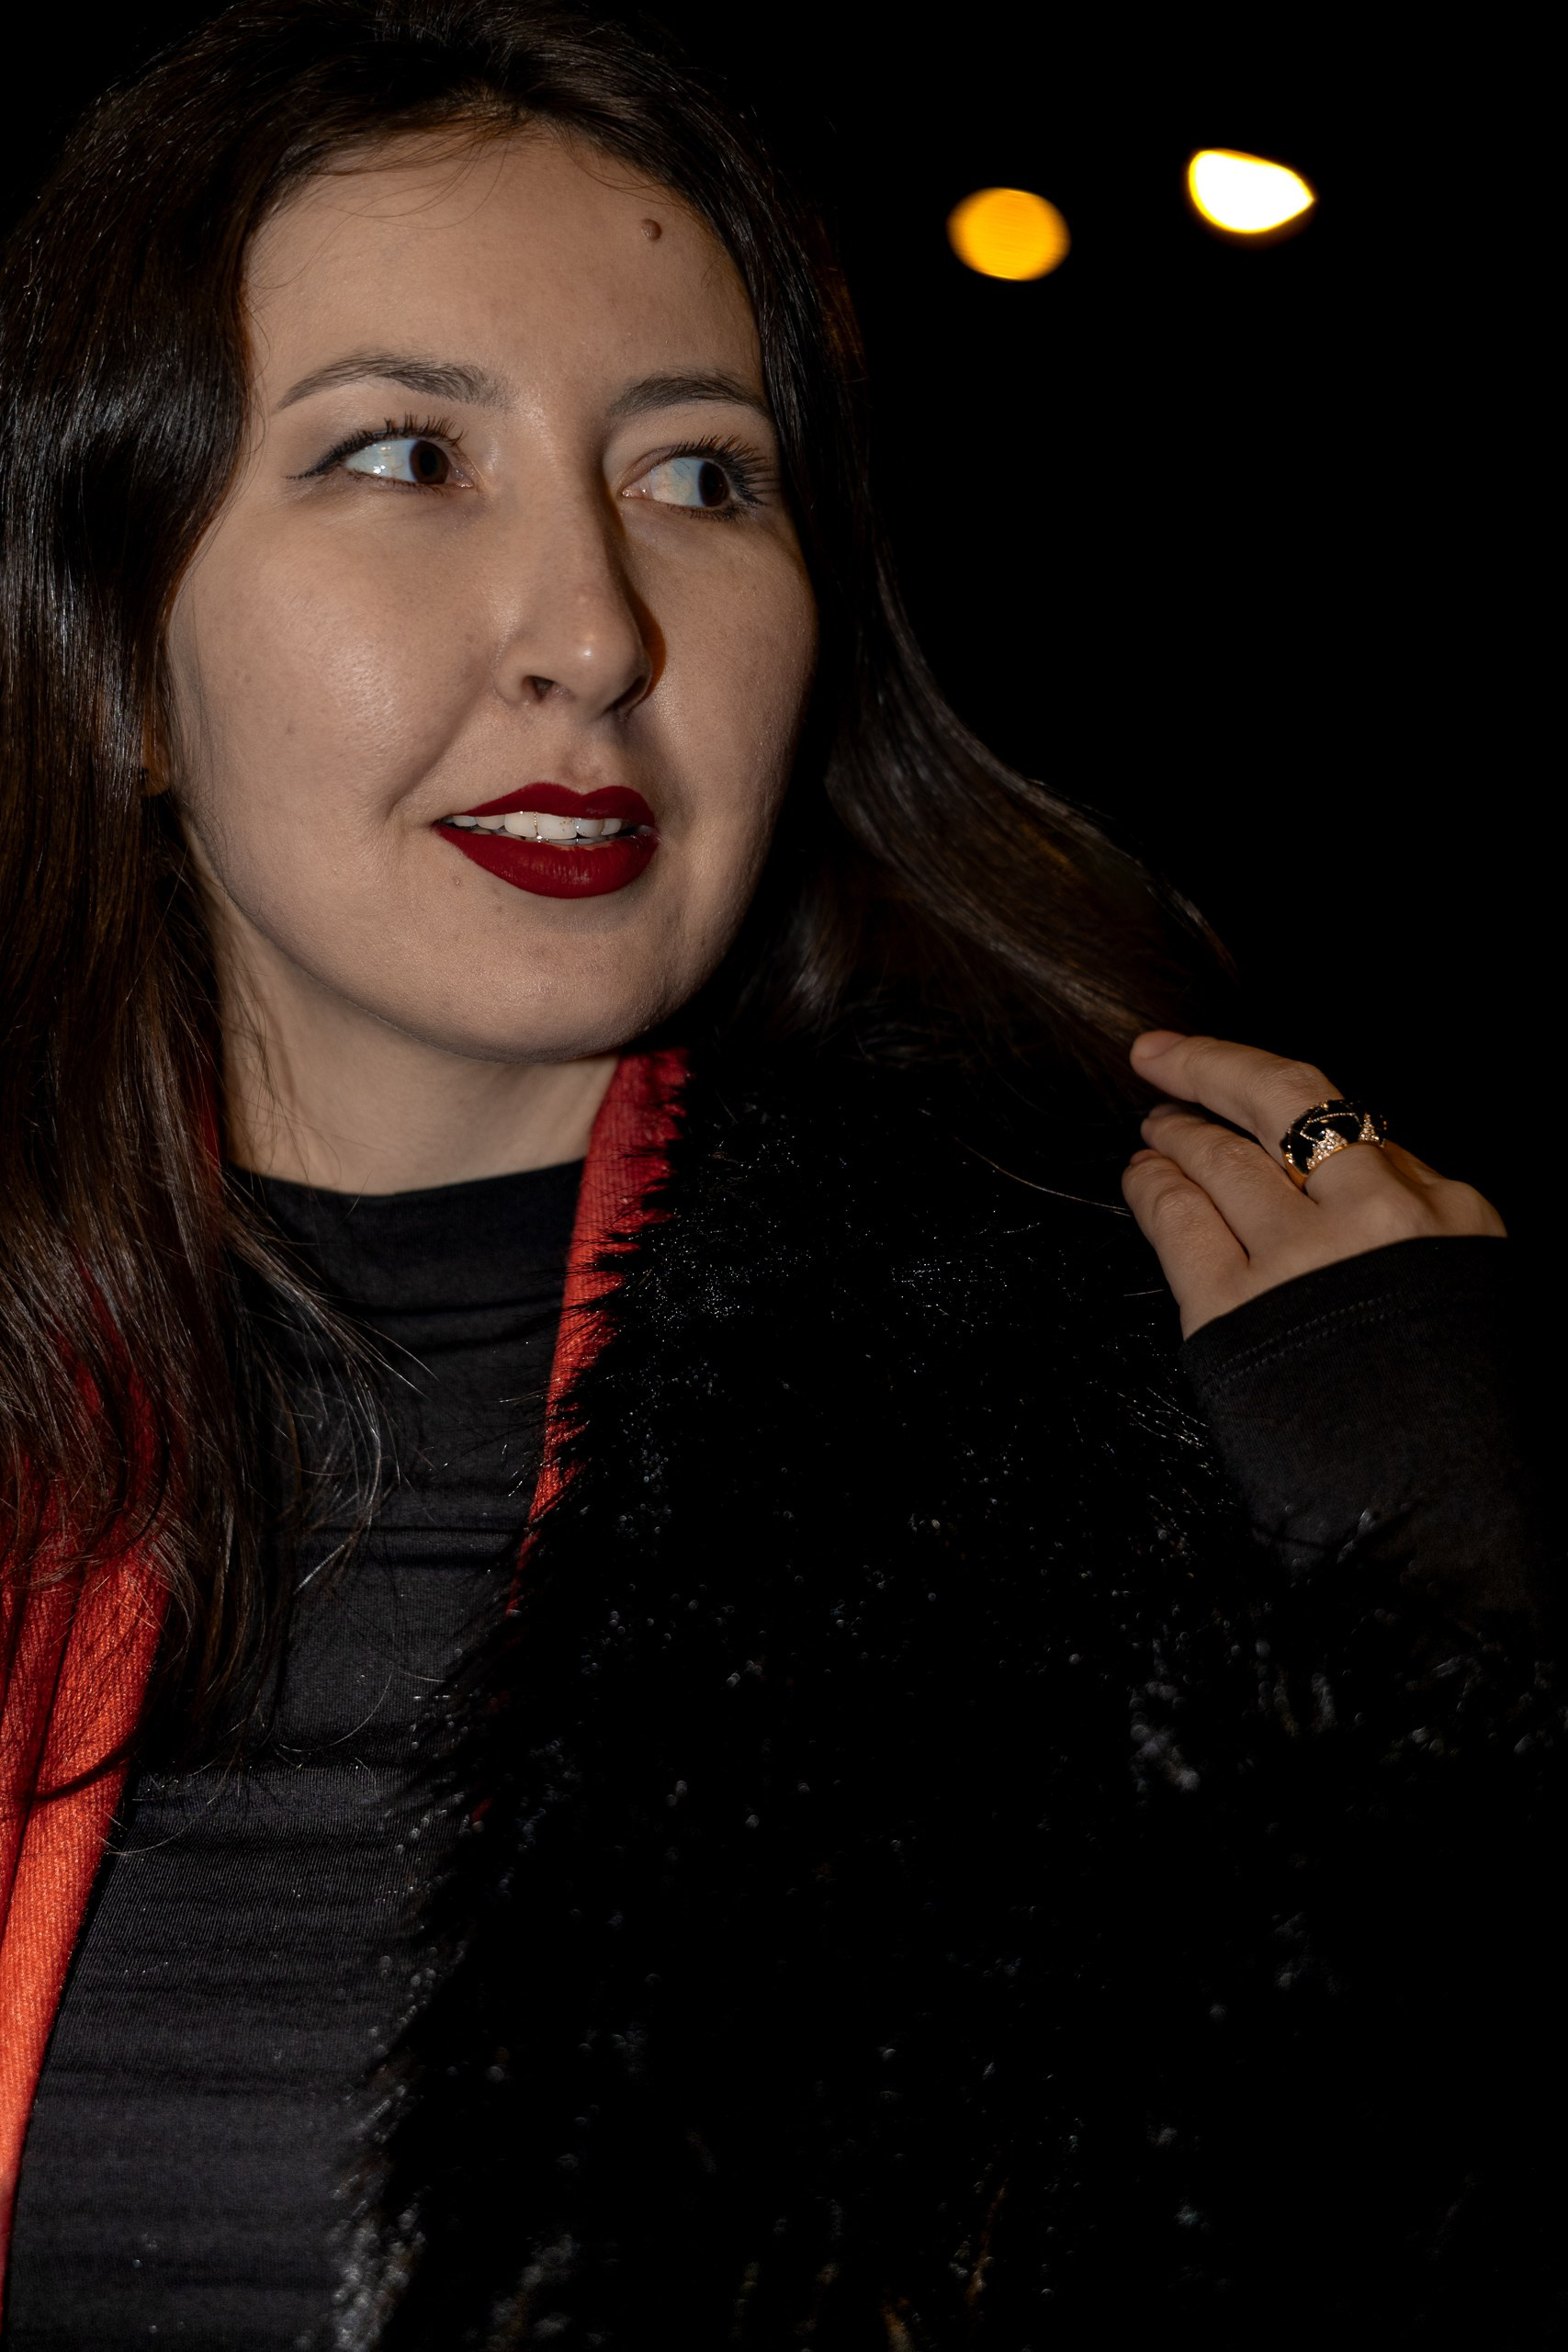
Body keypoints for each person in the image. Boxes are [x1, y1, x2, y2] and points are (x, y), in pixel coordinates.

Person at [0, 4, 1553, 2346]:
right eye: (407, 453)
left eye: (698, 477)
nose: (594, 630)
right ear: (113, 646)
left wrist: (1449, 1639)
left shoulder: (1134, 1400)